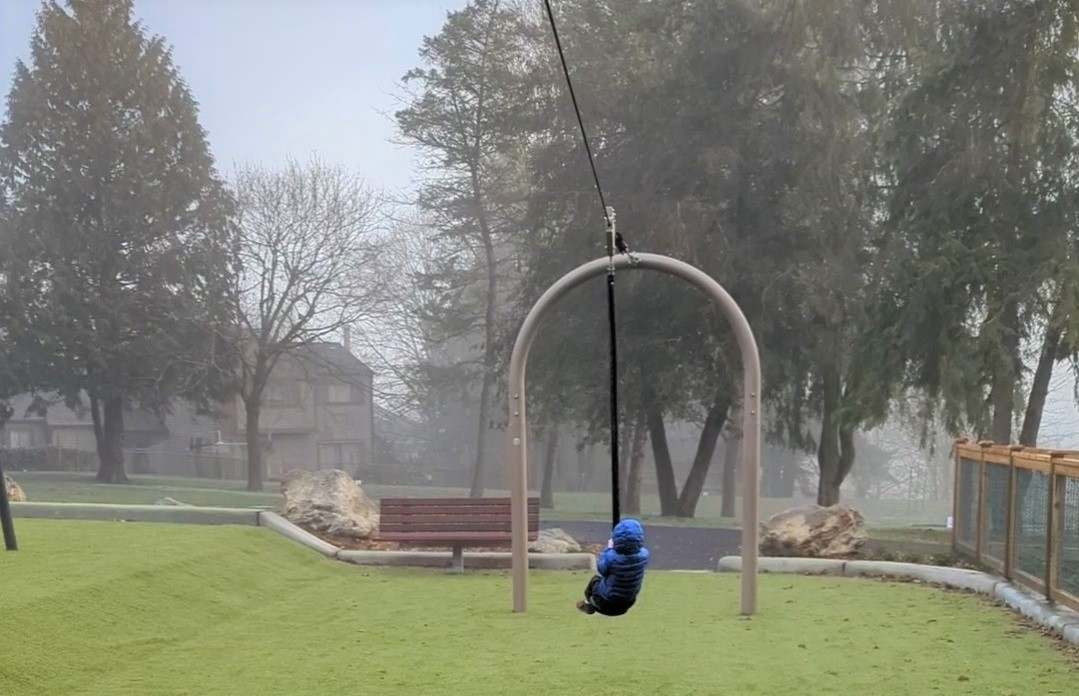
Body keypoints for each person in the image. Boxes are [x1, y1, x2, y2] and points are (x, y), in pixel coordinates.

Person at [576, 517, 649, 616]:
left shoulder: (612, 557)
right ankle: (594, 602)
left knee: (595, 580)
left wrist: (609, 549)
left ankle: (590, 602)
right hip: (627, 604)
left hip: (605, 603)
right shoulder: (644, 555)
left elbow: (601, 569)